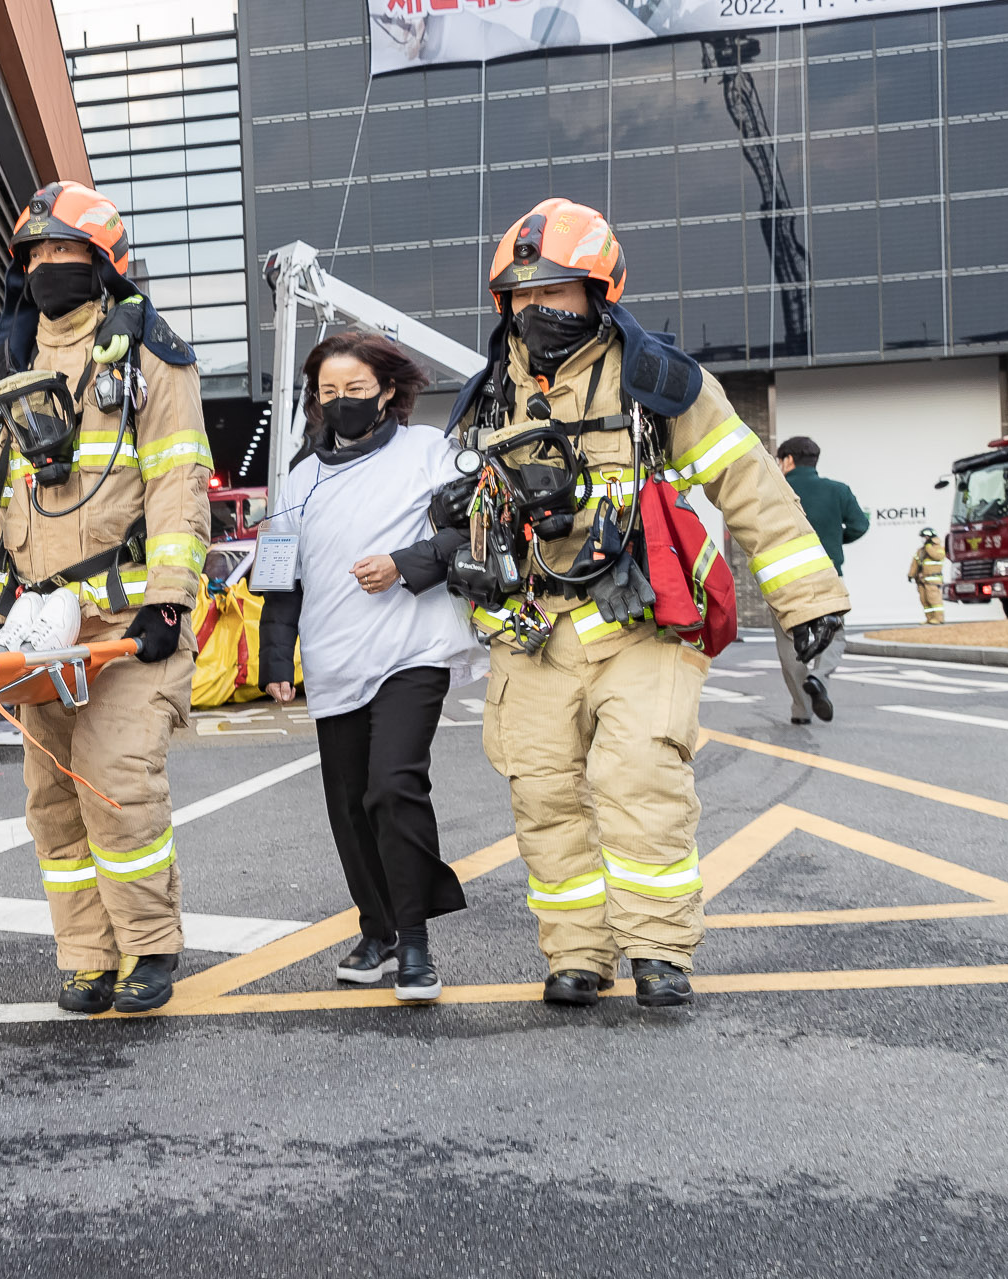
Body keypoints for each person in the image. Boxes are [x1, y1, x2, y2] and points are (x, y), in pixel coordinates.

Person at [440, 200, 850, 1008]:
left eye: (555, 291)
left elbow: (749, 483)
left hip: (641, 621)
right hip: (534, 632)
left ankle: (658, 950)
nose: (536, 310)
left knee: (640, 779)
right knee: (544, 794)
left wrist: (807, 599)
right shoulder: (489, 396)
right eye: (521, 296)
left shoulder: (658, 379)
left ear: (599, 289)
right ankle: (576, 954)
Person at [0, 181, 211, 1014]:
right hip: (39, 625)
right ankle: (85, 956)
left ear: (104, 265)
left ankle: (148, 947)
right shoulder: (8, 370)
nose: (46, 268)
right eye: (34, 256)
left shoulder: (148, 357)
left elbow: (180, 479)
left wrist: (169, 601)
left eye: (64, 253)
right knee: (52, 798)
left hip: (126, 619)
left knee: (118, 779)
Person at [257, 333, 483, 1003]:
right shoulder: (298, 479)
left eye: (356, 390)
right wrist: (278, 658)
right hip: (333, 657)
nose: (343, 402)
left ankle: (414, 941)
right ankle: (377, 929)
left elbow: (470, 527)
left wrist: (404, 564)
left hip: (413, 647)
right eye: (330, 393)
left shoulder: (427, 454)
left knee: (392, 785)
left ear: (387, 390)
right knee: (350, 806)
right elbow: (279, 576)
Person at [772, 436, 869, 723]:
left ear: (788, 459)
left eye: (779, 461)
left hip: (784, 578)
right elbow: (860, 525)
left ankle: (801, 711)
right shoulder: (838, 490)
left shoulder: (776, 491)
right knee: (835, 635)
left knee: (789, 643)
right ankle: (819, 676)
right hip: (826, 575)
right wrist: (836, 540)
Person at [911, 527, 949, 624]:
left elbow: (938, 556)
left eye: (924, 537)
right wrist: (911, 574)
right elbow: (915, 563)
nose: (923, 539)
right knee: (925, 600)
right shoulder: (921, 551)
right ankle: (930, 618)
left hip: (933, 580)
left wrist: (928, 547)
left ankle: (939, 618)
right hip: (922, 580)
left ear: (929, 537)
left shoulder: (938, 548)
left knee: (934, 600)